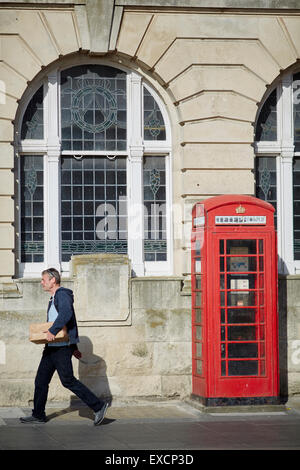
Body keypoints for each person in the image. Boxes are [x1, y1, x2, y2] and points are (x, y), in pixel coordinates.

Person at [20, 268, 108, 425]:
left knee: (67, 380)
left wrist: (54, 332)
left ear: (52, 280)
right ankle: (38, 414)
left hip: (60, 348)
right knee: (40, 380)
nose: (42, 283)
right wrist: (74, 347)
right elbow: (69, 323)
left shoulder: (62, 294)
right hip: (52, 347)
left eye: (43, 280)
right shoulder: (53, 298)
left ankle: (99, 406)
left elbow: (66, 314)